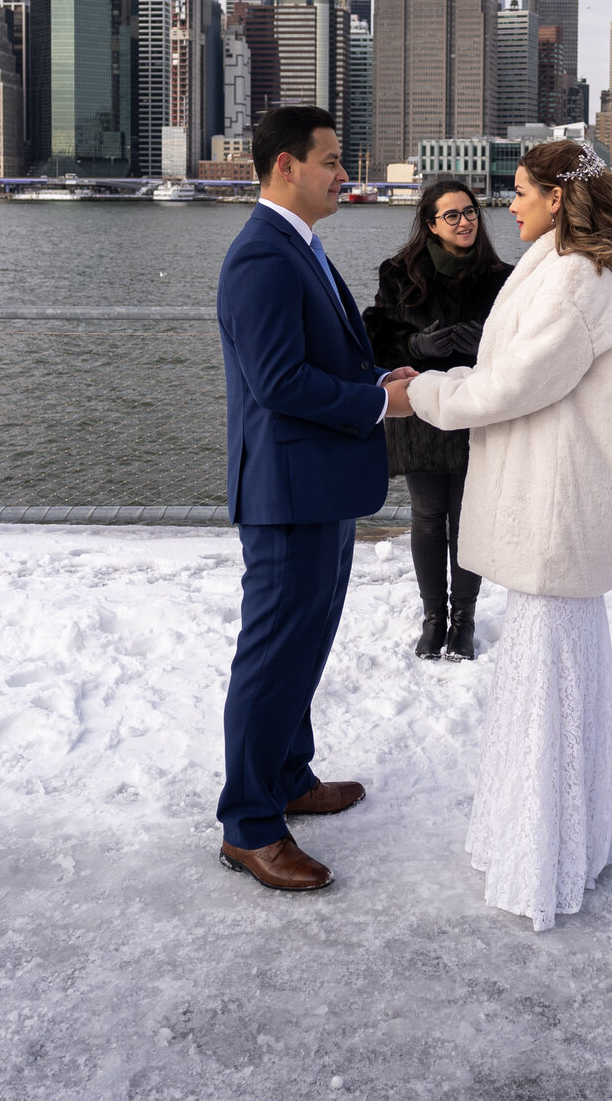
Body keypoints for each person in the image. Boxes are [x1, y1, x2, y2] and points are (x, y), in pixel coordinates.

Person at [406, 139, 612, 931]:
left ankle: (546, 852)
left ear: (557, 198)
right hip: (552, 498)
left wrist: (428, 394)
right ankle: (562, 832)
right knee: (555, 685)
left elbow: (513, 384)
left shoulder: (575, 282)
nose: (507, 205)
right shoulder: (559, 265)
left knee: (550, 687)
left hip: (559, 505)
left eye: (518, 191)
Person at [212, 104, 419, 894]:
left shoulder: (299, 245)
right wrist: (381, 406)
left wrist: (374, 380)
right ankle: (250, 824)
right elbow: (279, 383)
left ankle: (289, 776)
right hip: (287, 492)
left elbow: (318, 358)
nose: (345, 173)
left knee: (304, 644)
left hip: (319, 486)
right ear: (284, 167)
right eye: (331, 160)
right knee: (270, 657)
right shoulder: (262, 256)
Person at [363, 179, 513, 663]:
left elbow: (525, 347)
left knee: (468, 518)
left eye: (469, 212)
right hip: (421, 407)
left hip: (477, 407)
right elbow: (377, 336)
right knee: (428, 517)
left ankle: (463, 621)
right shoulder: (399, 273)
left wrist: (483, 344)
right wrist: (415, 347)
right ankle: (433, 619)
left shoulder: (503, 277)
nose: (465, 221)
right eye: (452, 215)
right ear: (430, 223)